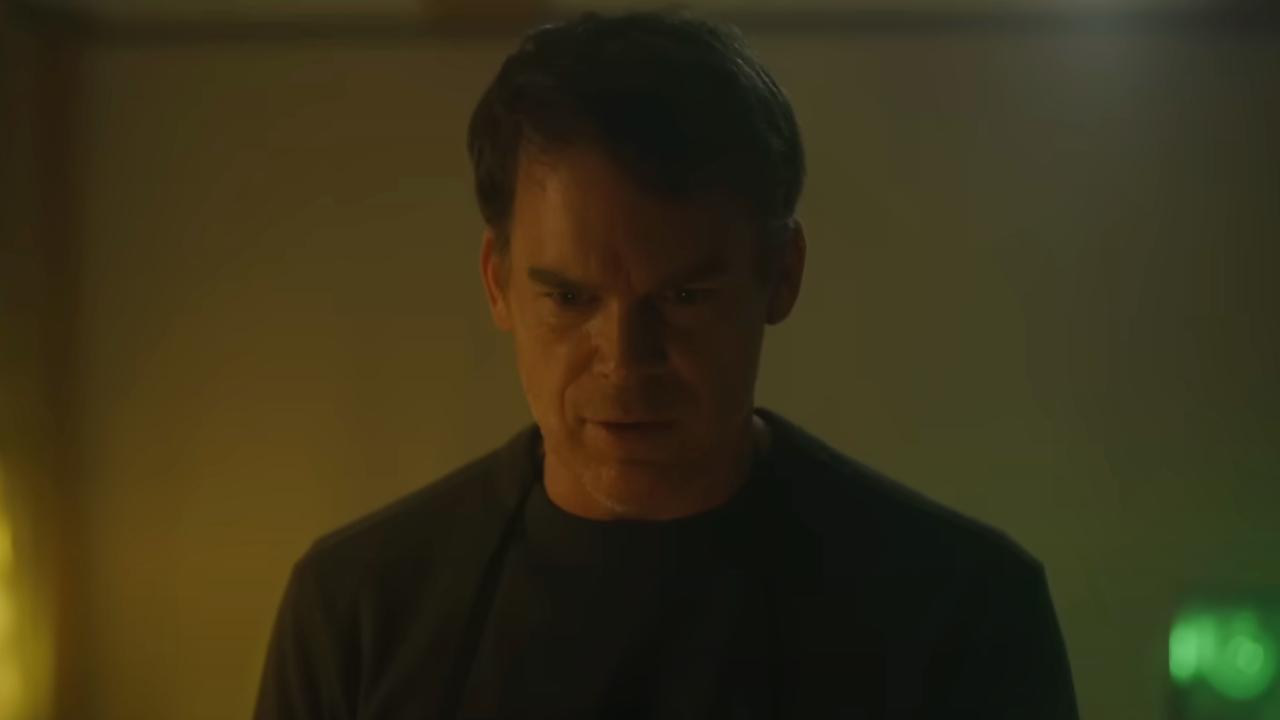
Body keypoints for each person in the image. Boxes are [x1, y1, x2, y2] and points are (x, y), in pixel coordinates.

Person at [252, 9, 1079, 719]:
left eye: (683, 298)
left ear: (780, 275)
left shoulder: (962, 616)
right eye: (570, 299)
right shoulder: (358, 612)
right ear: (498, 284)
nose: (625, 362)